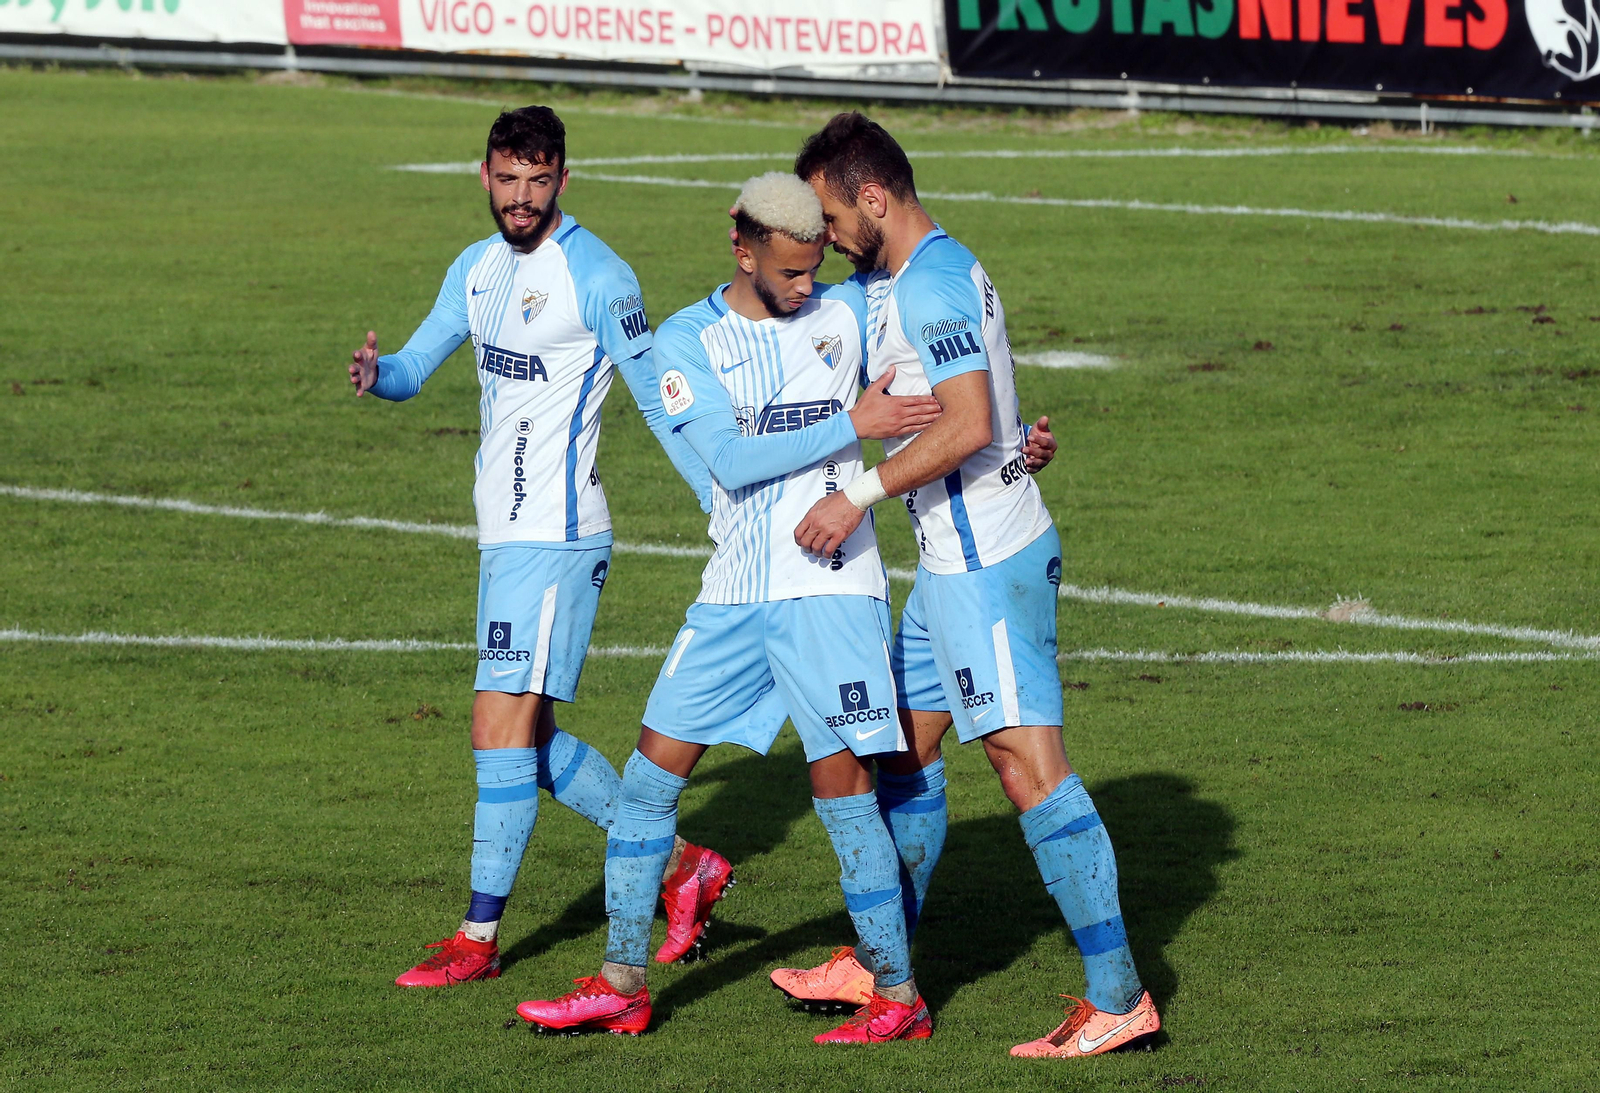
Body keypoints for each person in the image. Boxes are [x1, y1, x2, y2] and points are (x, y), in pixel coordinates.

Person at [515, 173, 945, 1043]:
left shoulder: (849, 313)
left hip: (832, 591)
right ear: (741, 248)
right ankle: (622, 983)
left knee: (844, 792)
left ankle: (899, 996)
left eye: (811, 268)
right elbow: (731, 461)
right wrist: (847, 420)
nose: (803, 286)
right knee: (648, 780)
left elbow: (941, 398)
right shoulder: (687, 342)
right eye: (787, 272)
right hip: (735, 592)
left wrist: (1016, 447)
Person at [770, 113, 1161, 1059]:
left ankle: (1120, 997)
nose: (824, 236)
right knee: (902, 753)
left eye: (830, 214)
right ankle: (880, 956)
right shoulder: (906, 275)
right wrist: (1017, 444)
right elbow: (985, 413)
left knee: (1029, 771)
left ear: (873, 199)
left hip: (986, 567)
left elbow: (967, 417)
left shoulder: (933, 281)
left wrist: (856, 492)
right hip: (951, 565)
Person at [345, 105, 731, 988]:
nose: (521, 198)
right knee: (534, 736)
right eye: (507, 179)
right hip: (503, 537)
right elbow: (414, 364)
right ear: (483, 175)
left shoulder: (598, 274)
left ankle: (476, 940)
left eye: (538, 181)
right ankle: (685, 866)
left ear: (564, 178)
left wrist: (721, 493)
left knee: (496, 730)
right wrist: (378, 377)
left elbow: (658, 397)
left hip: (557, 537)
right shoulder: (475, 269)